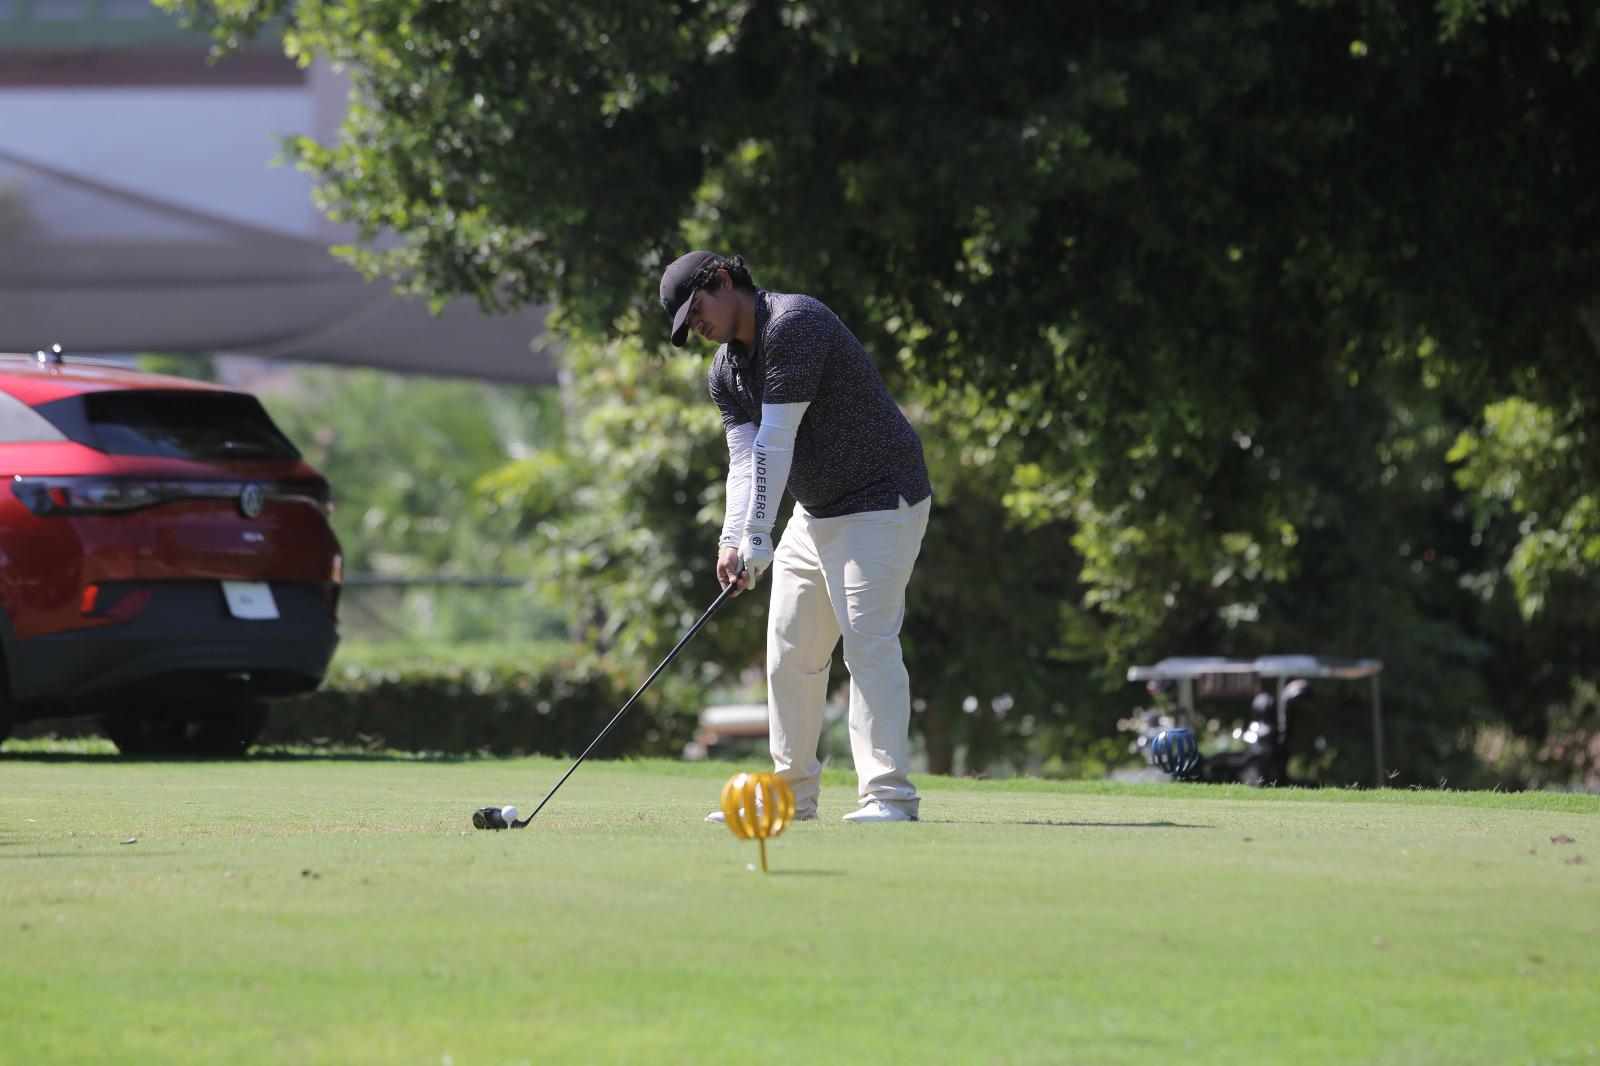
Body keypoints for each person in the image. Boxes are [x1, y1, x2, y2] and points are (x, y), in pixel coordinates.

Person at [658, 250, 933, 823]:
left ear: (725, 281)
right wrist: (733, 541)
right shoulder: (725, 371)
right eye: (687, 324)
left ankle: (888, 797)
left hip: (881, 497)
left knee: (868, 645)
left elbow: (775, 443)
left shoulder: (794, 323)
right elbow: (743, 459)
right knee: (789, 650)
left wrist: (760, 535)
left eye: (697, 309)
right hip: (816, 512)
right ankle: (790, 796)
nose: (698, 326)